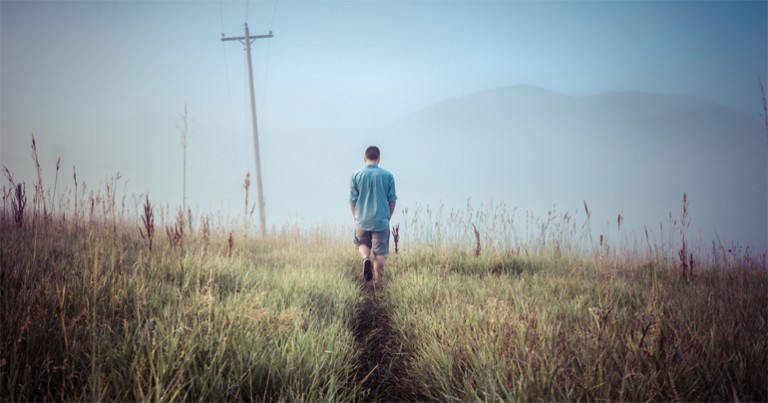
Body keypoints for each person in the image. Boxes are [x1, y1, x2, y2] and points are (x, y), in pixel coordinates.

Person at [350, 146, 397, 281]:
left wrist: (356, 217)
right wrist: (387, 217)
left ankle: (365, 258)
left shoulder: (356, 175)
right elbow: (392, 201)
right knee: (379, 253)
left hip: (362, 219)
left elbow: (352, 200)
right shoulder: (388, 176)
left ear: (365, 158)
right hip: (381, 220)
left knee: (362, 243)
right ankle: (378, 282)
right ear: (379, 159)